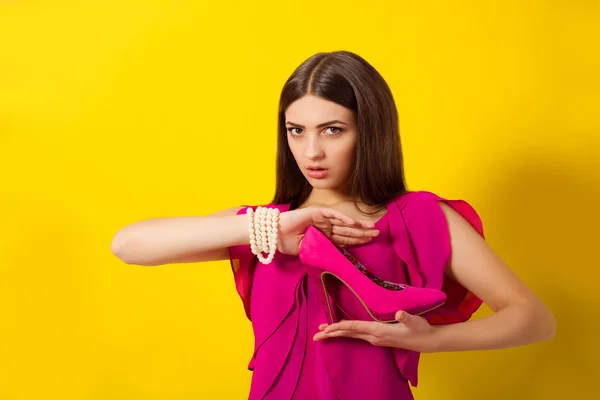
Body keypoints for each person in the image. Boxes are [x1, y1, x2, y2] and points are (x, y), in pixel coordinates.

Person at [111, 51, 556, 400]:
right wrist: (273, 227)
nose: (311, 152)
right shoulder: (266, 225)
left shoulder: (420, 218)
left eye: (332, 130)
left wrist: (432, 339)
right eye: (296, 130)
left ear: (370, 130)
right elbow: (128, 245)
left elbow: (534, 319)